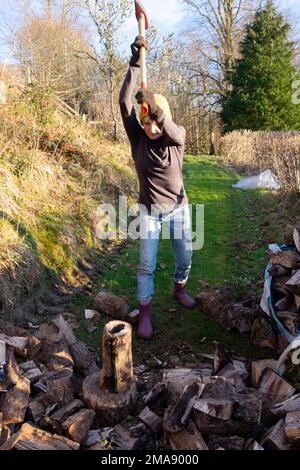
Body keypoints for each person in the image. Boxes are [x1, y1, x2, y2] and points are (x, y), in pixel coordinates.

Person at [119, 36, 196, 340]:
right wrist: (135, 66)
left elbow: (169, 126)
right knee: (146, 264)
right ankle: (146, 312)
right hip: (149, 212)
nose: (151, 128)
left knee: (185, 257)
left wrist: (156, 108)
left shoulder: (176, 138)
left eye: (155, 122)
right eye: (146, 121)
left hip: (178, 208)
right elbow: (124, 102)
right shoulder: (137, 138)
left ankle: (180, 289)